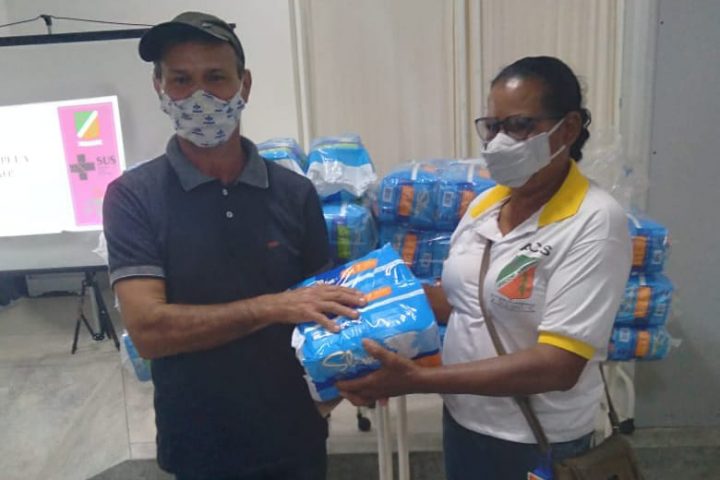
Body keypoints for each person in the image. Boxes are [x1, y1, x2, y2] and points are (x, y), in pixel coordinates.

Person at [337, 56, 632, 479]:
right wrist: (365, 299)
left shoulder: (594, 221)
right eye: (492, 127)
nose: (498, 143)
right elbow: (463, 300)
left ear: (567, 129)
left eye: (519, 126)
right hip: (464, 422)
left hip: (536, 440)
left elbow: (559, 365)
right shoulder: (486, 206)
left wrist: (418, 380)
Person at [103, 11, 365, 480]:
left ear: (244, 85)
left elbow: (323, 311)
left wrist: (347, 380)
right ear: (159, 87)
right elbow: (149, 331)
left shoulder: (294, 193)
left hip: (296, 439)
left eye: (216, 78)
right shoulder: (133, 197)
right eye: (181, 80)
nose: (199, 95)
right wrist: (272, 307)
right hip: (198, 447)